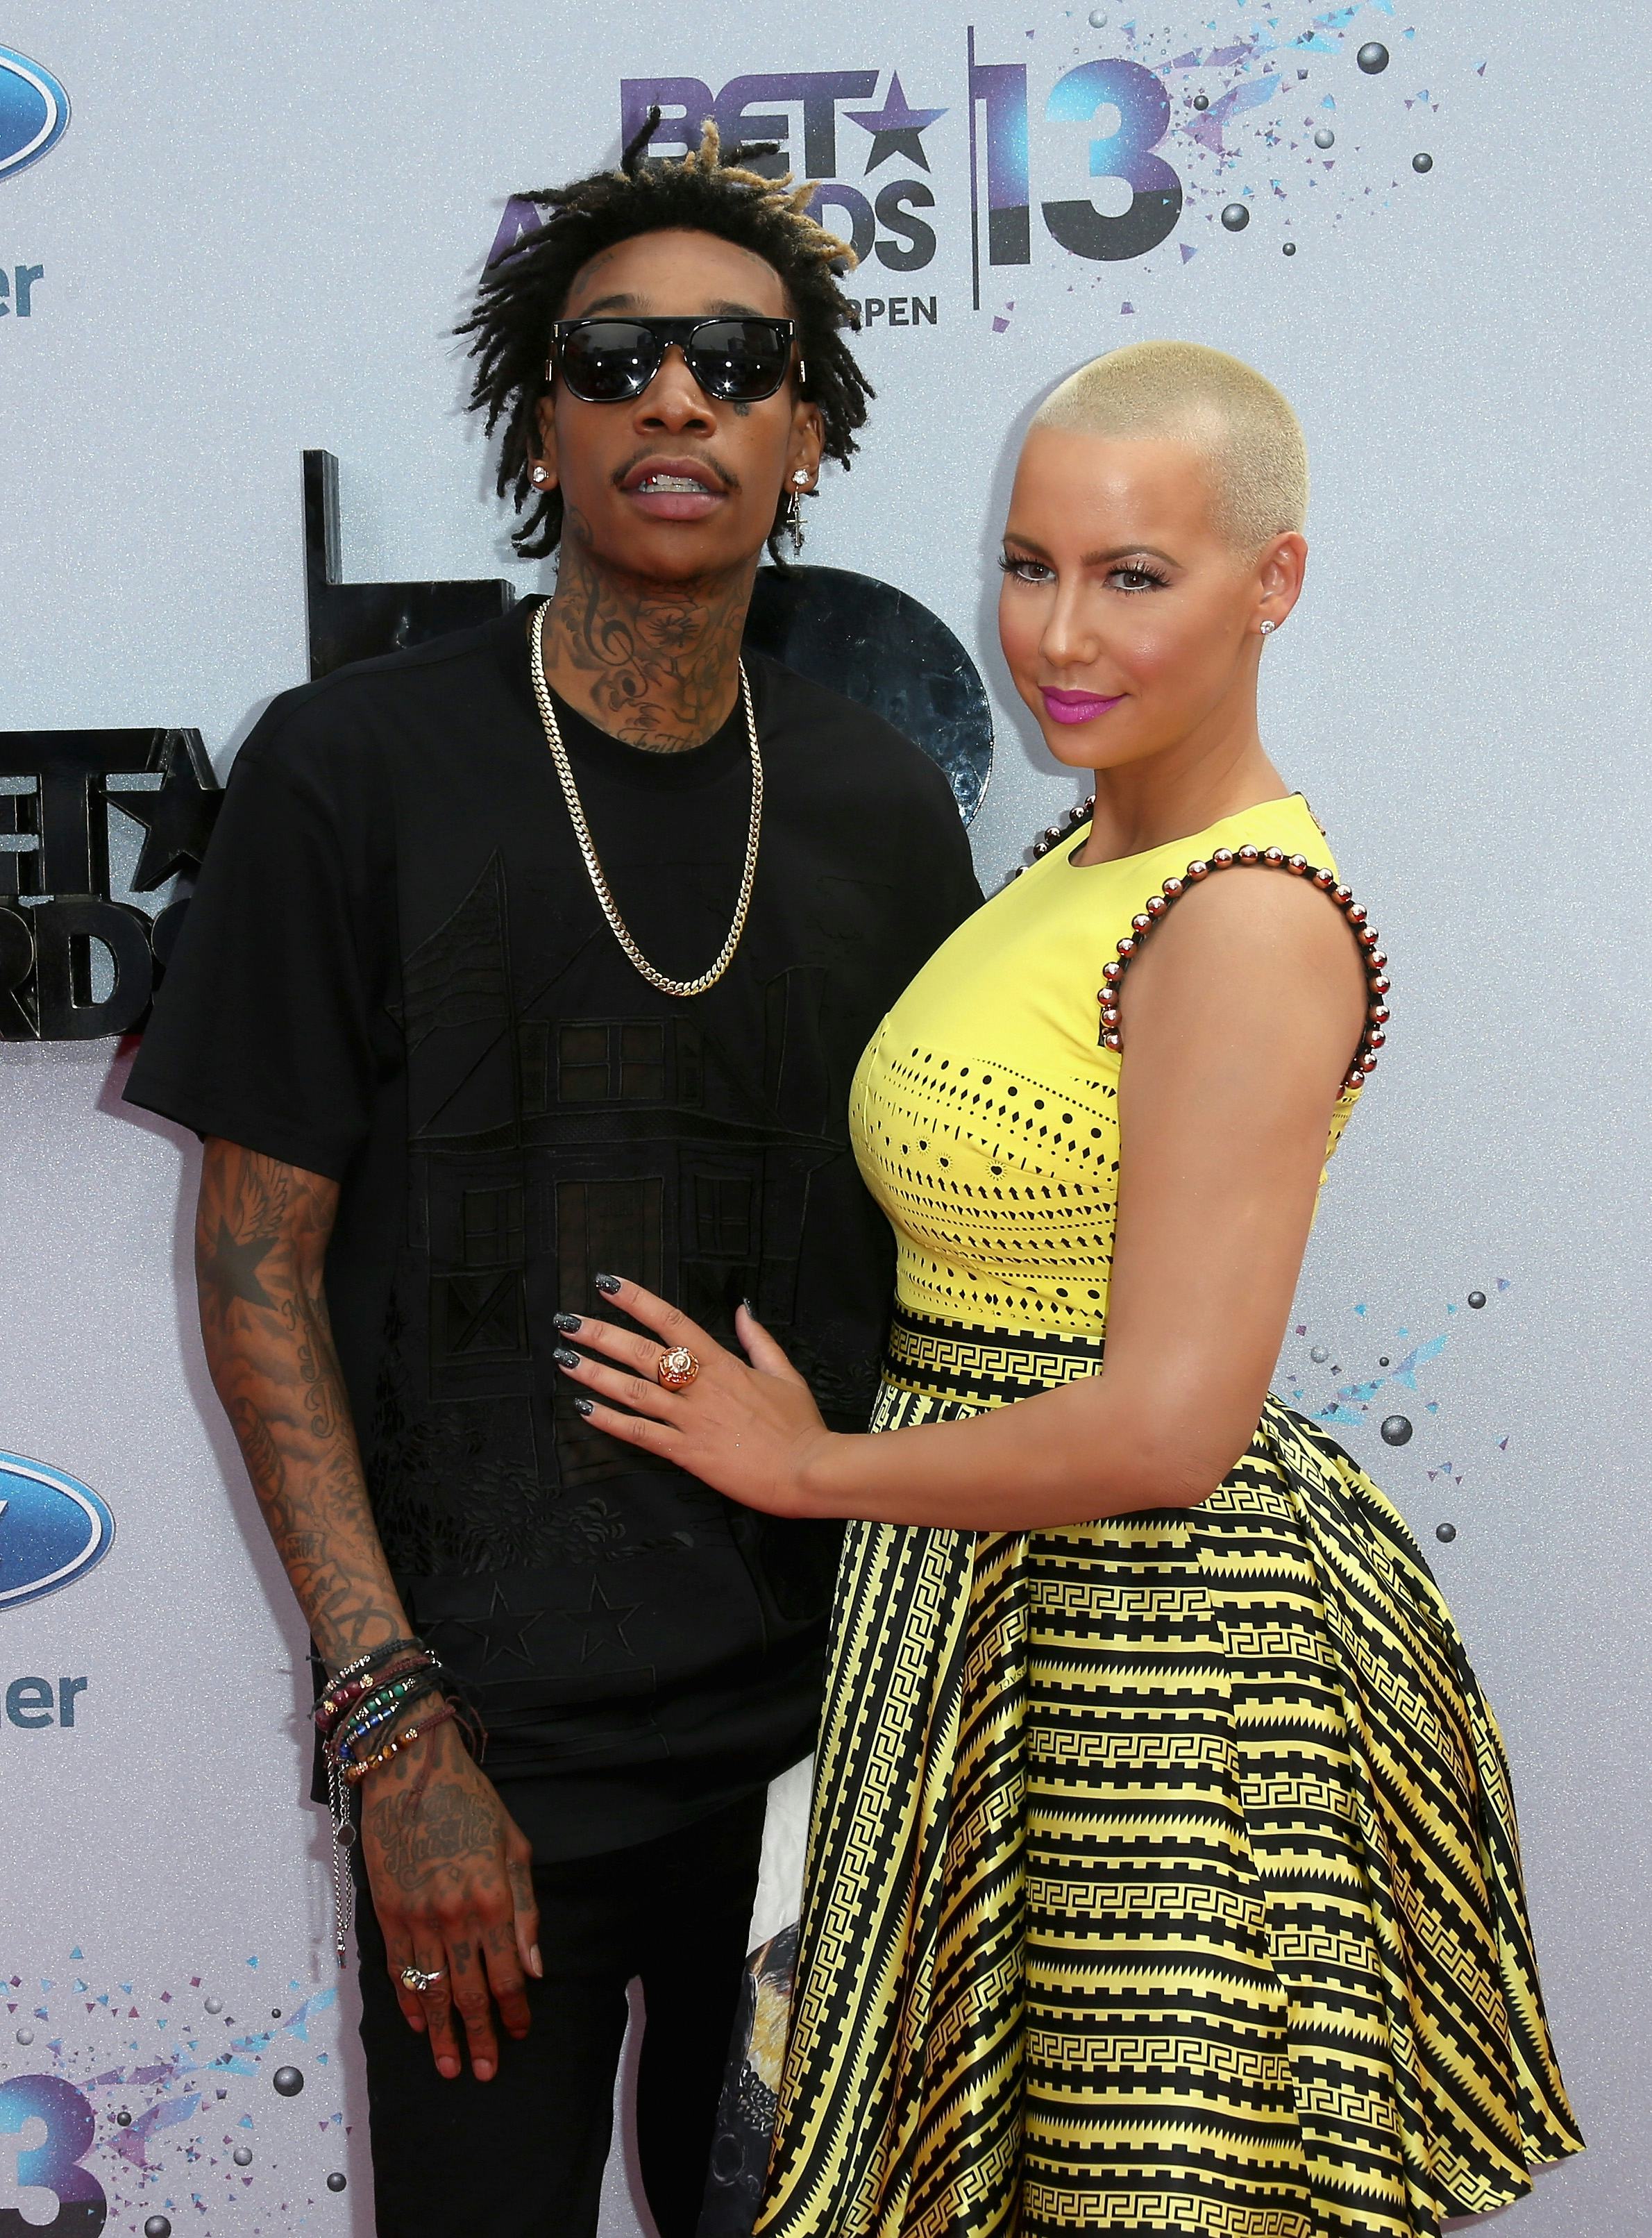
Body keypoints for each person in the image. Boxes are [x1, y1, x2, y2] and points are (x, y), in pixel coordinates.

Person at [553, 341, 1584, 2237]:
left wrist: (806, 1469)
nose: (1059, 633)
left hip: (1153, 1665)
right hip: (994, 1616)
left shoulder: (1244, 919)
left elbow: (1172, 1426)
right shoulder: (1083, 858)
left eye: (1134, 575)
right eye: (1030, 566)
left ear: (1272, 581)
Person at [124, 116, 979, 2238]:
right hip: (482, 1764)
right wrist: (391, 1726)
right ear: (539, 420)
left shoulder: (881, 806)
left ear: (804, 434)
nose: (675, 397)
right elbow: (255, 1263)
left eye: (735, 362)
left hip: (816, 1771)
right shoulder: (352, 768)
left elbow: (950, 1278)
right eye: (615, 358)